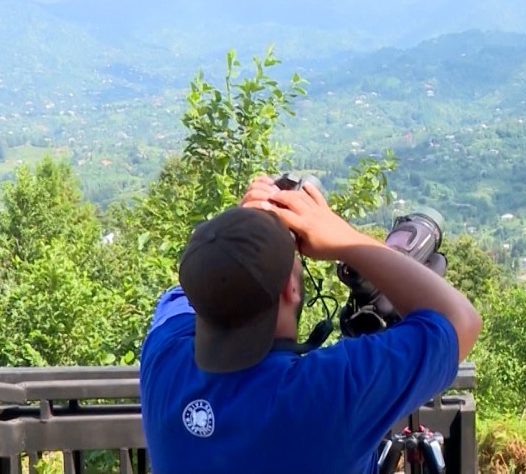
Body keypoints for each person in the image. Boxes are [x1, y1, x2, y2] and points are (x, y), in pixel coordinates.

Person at [139, 175, 482, 474]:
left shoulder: (164, 362)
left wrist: (235, 239)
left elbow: (195, 287)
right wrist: (343, 237)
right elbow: (461, 321)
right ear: (289, 289)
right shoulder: (332, 392)